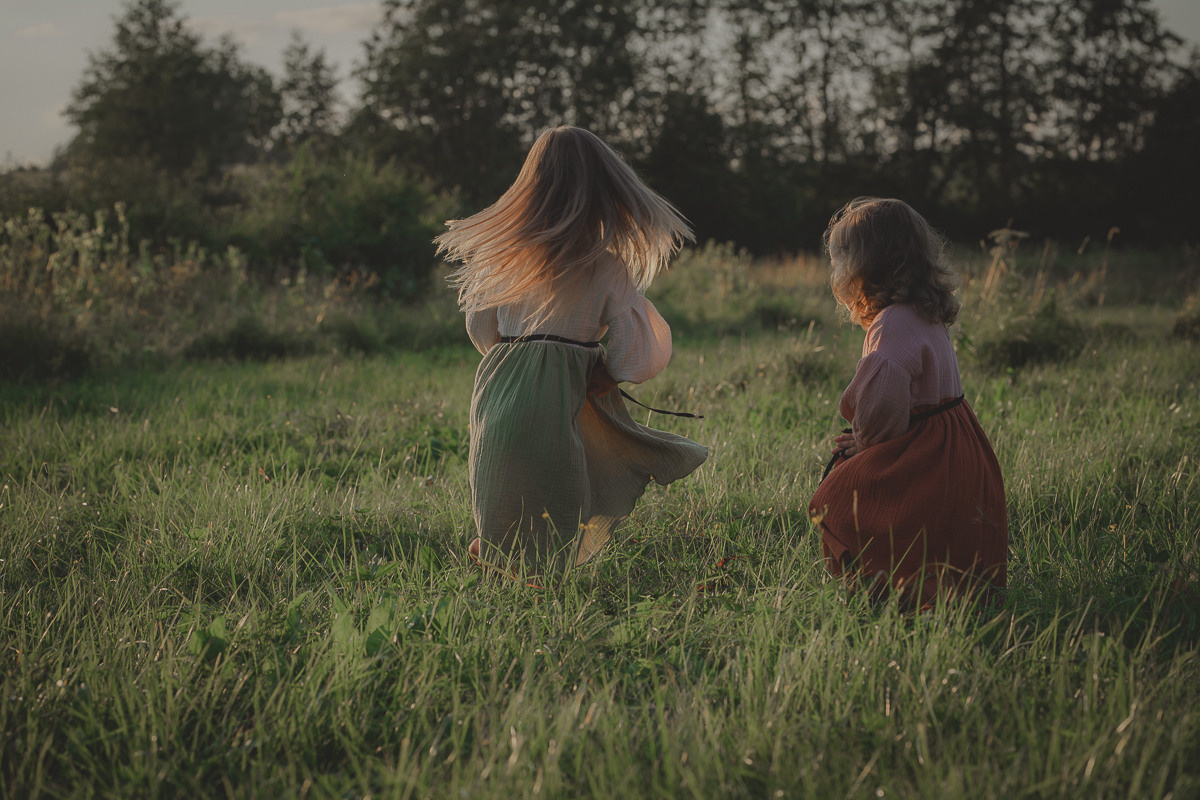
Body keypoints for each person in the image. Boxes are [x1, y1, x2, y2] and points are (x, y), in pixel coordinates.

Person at [435, 125, 708, 576]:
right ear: (607, 192)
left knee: (500, 486)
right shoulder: (607, 266)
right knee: (557, 492)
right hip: (558, 392)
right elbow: (635, 347)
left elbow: (481, 327)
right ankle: (542, 579)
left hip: (499, 389)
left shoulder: (505, 258)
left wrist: (514, 357)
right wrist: (608, 372)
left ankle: (500, 562)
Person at [808, 197, 1007, 606]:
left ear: (860, 267)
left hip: (925, 452)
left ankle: (885, 595)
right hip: (957, 447)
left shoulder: (892, 324)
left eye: (840, 262)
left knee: (836, 503)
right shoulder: (923, 311)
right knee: (938, 535)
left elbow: (883, 404)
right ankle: (950, 596)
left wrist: (864, 444)